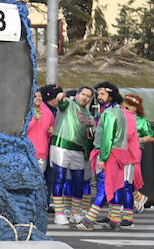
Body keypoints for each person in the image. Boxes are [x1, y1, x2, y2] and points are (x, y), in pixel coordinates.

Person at [83, 82, 138, 230]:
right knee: (116, 186)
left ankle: (88, 221)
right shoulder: (118, 111)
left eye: (102, 94)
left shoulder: (108, 113)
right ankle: (114, 220)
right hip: (119, 154)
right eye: (98, 94)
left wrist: (103, 158)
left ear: (110, 95)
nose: (99, 96)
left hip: (109, 154)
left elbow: (107, 138)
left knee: (103, 188)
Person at [50, 85, 95, 228]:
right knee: (60, 178)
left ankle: (75, 212)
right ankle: (59, 213)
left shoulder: (88, 114)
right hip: (61, 145)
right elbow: (61, 102)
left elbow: (89, 135)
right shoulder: (69, 104)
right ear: (77, 94)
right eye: (83, 94)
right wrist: (60, 97)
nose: (85, 97)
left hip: (79, 151)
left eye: (88, 96)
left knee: (78, 181)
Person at [27, 85, 60, 213]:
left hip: (42, 153)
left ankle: (39, 206)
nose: (38, 98)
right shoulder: (26, 111)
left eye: (40, 96)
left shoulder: (48, 113)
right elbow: (22, 131)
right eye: (35, 96)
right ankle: (28, 205)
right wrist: (33, 120)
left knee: (40, 182)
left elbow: (50, 131)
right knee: (29, 180)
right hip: (27, 153)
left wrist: (52, 132)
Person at [122, 93, 154, 214]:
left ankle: (134, 200)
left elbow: (150, 136)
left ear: (135, 107)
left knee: (131, 177)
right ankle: (137, 199)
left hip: (134, 151)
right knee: (123, 177)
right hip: (122, 150)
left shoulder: (142, 121)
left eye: (129, 105)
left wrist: (137, 140)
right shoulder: (122, 117)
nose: (126, 107)